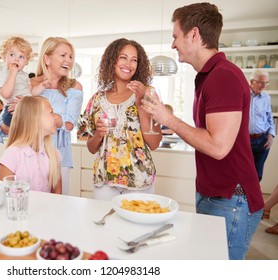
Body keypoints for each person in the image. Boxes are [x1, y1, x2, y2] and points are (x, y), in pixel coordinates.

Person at [141, 2, 264, 260]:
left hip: (231, 199)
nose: (173, 44)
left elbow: (218, 147)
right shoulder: (210, 76)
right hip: (218, 195)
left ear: (194, 34)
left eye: (176, 36)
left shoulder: (223, 76)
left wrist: (168, 118)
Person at [81, 38, 162, 201]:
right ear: (112, 60)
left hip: (139, 181)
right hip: (105, 181)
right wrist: (98, 134)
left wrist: (140, 103)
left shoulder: (148, 93)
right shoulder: (96, 99)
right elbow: (91, 147)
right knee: (104, 224)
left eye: (134, 60)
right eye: (123, 57)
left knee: (137, 226)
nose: (129, 64)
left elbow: (154, 143)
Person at [31, 37, 84, 196]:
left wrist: (40, 116)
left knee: (59, 205)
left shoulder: (74, 87)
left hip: (60, 154)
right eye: (63, 55)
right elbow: (21, 119)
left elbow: (69, 124)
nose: (68, 60)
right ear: (46, 58)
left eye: (70, 56)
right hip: (31, 152)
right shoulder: (32, 84)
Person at [0, 96, 61, 194]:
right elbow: (4, 194)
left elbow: (57, 195)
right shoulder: (13, 154)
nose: (56, 117)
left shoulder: (53, 154)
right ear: (35, 118)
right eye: (51, 112)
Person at [0, 37, 48, 143]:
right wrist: (12, 74)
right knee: (28, 134)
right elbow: (6, 94)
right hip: (12, 111)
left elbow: (31, 93)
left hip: (26, 110)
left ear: (27, 61)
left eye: (21, 57)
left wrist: (42, 86)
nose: (16, 59)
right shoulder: (3, 75)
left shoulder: (24, 75)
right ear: (4, 57)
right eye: (12, 55)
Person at [249, 70, 275, 182]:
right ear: (252, 82)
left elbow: (269, 118)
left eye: (266, 83)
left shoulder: (266, 98)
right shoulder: (242, 95)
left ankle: (252, 199)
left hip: (262, 140)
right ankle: (242, 198)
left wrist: (271, 135)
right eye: (261, 82)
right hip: (246, 140)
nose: (264, 86)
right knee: (244, 171)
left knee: (257, 174)